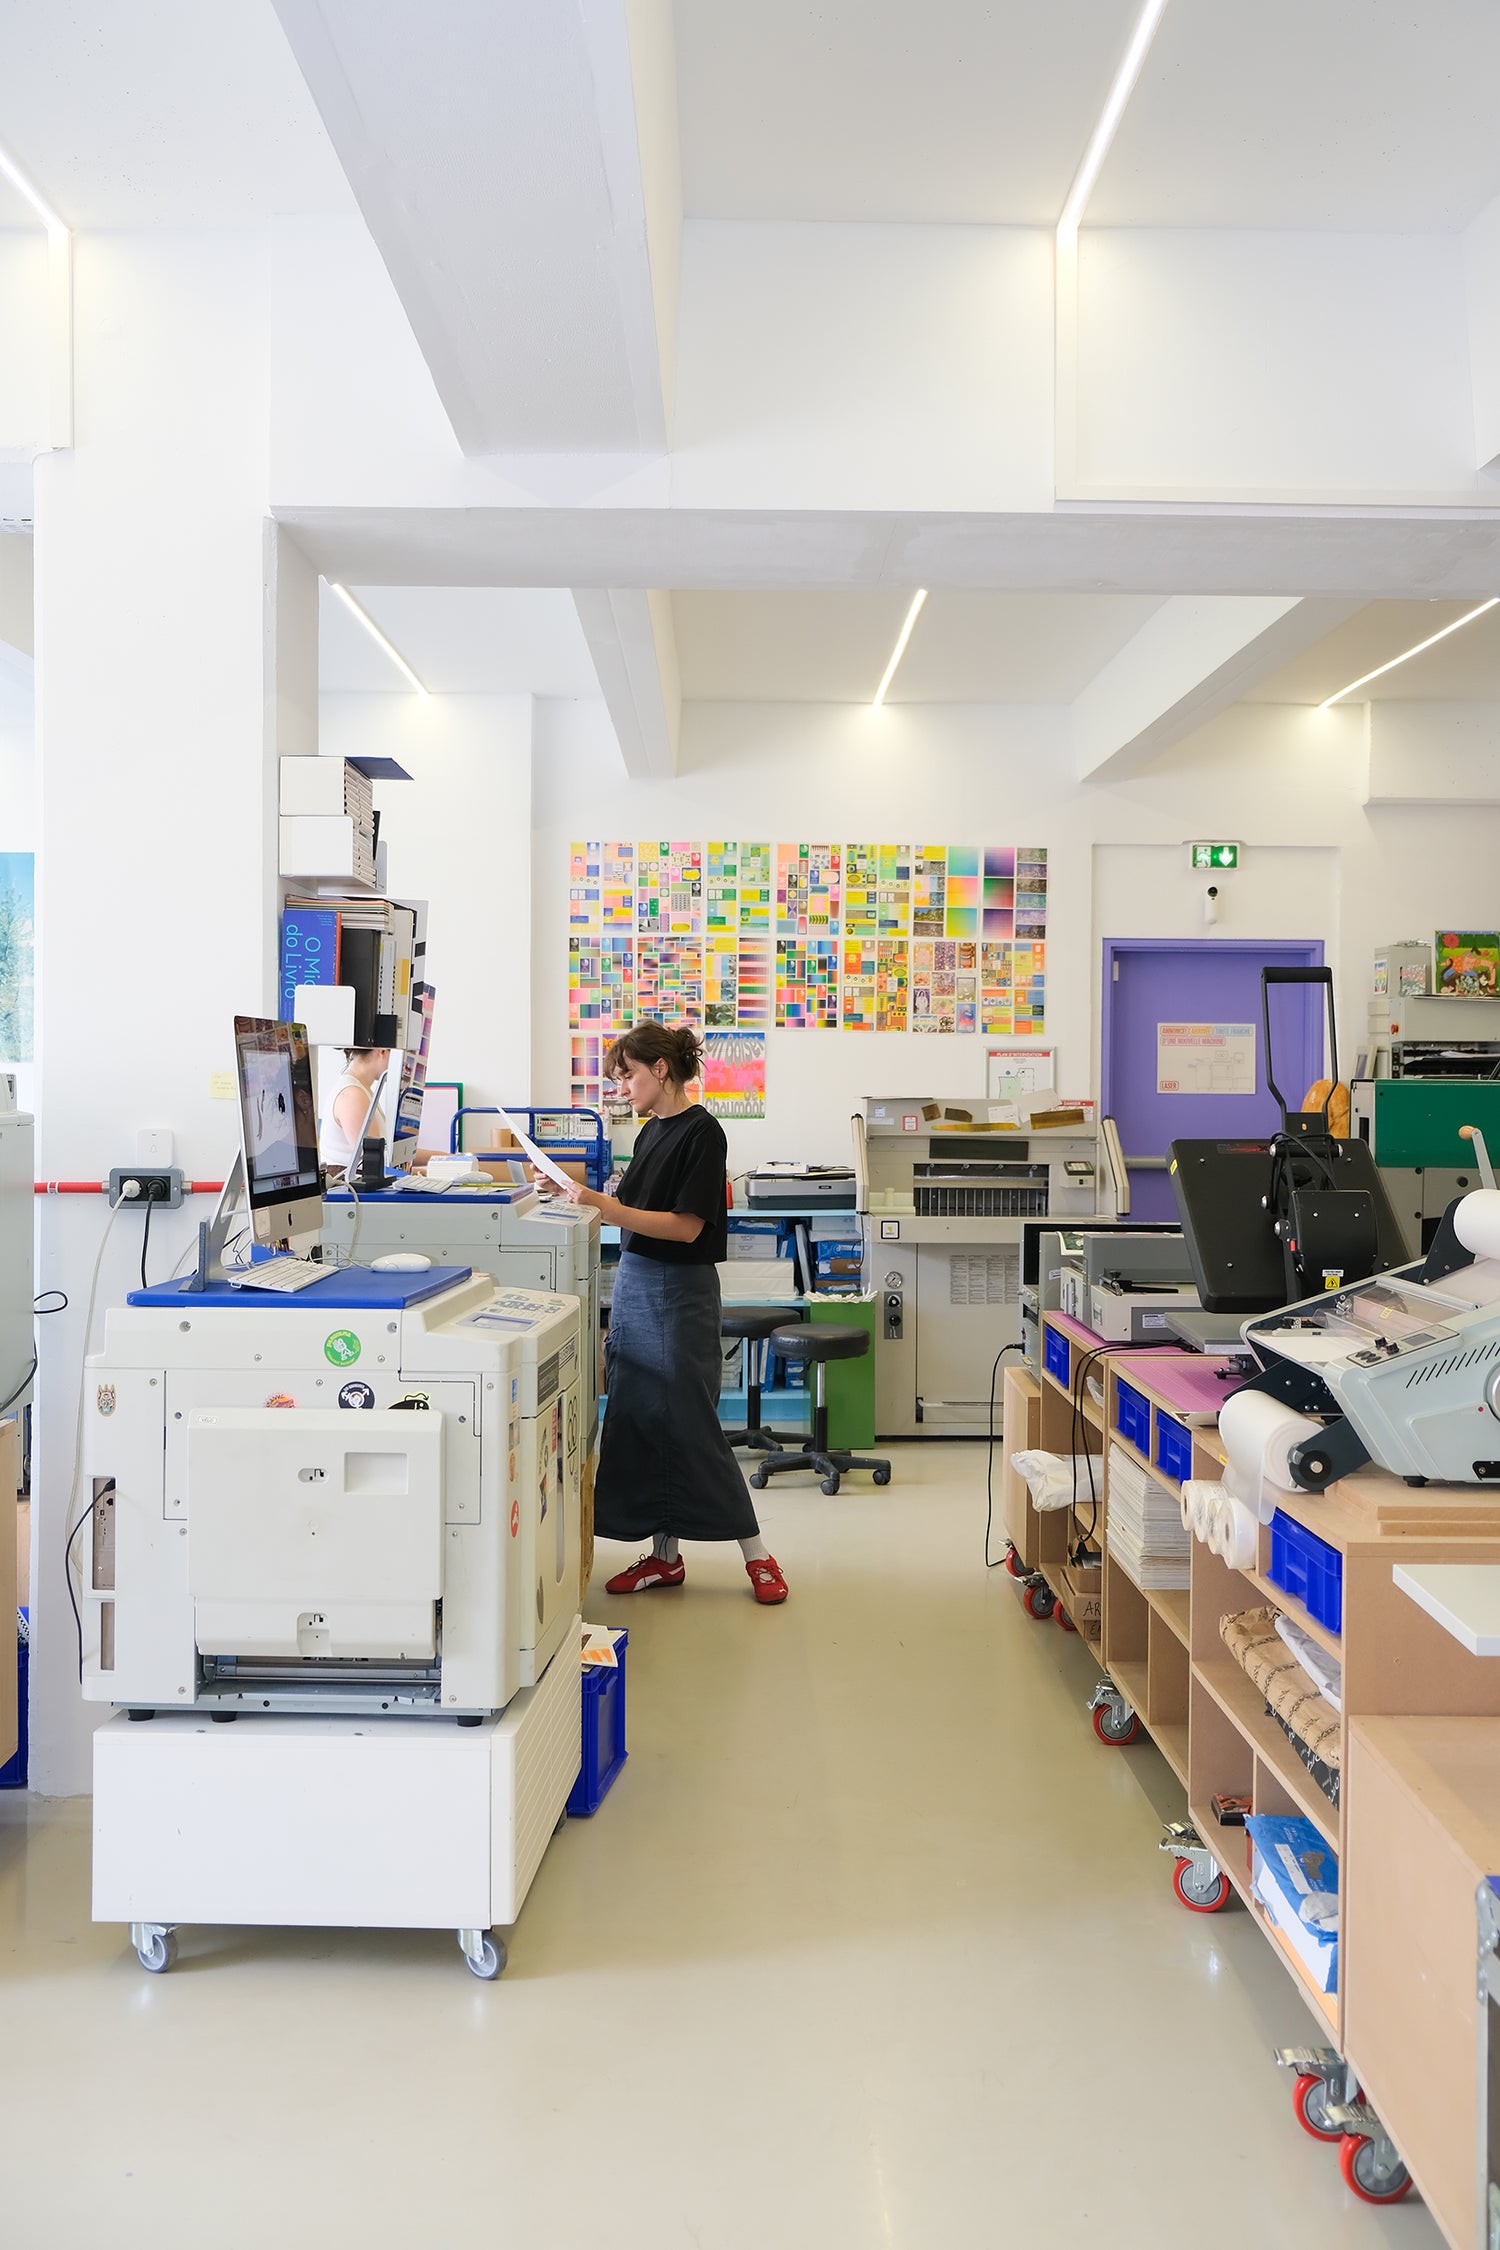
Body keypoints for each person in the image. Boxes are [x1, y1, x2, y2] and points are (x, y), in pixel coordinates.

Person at [558, 1022, 789, 1605]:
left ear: (660, 1070)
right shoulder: (650, 1133)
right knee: (640, 1421)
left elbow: (686, 1228)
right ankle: (665, 1558)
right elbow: (635, 1208)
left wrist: (603, 1206)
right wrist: (576, 1195)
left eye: (628, 1076)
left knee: (690, 1423)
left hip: (678, 1291)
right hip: (637, 1284)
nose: (622, 1088)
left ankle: (758, 1554)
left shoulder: (702, 1133)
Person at [320, 1045, 391, 1175]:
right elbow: (375, 1158)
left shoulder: (362, 1090)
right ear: (382, 1051)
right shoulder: (352, 1095)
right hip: (347, 1183)